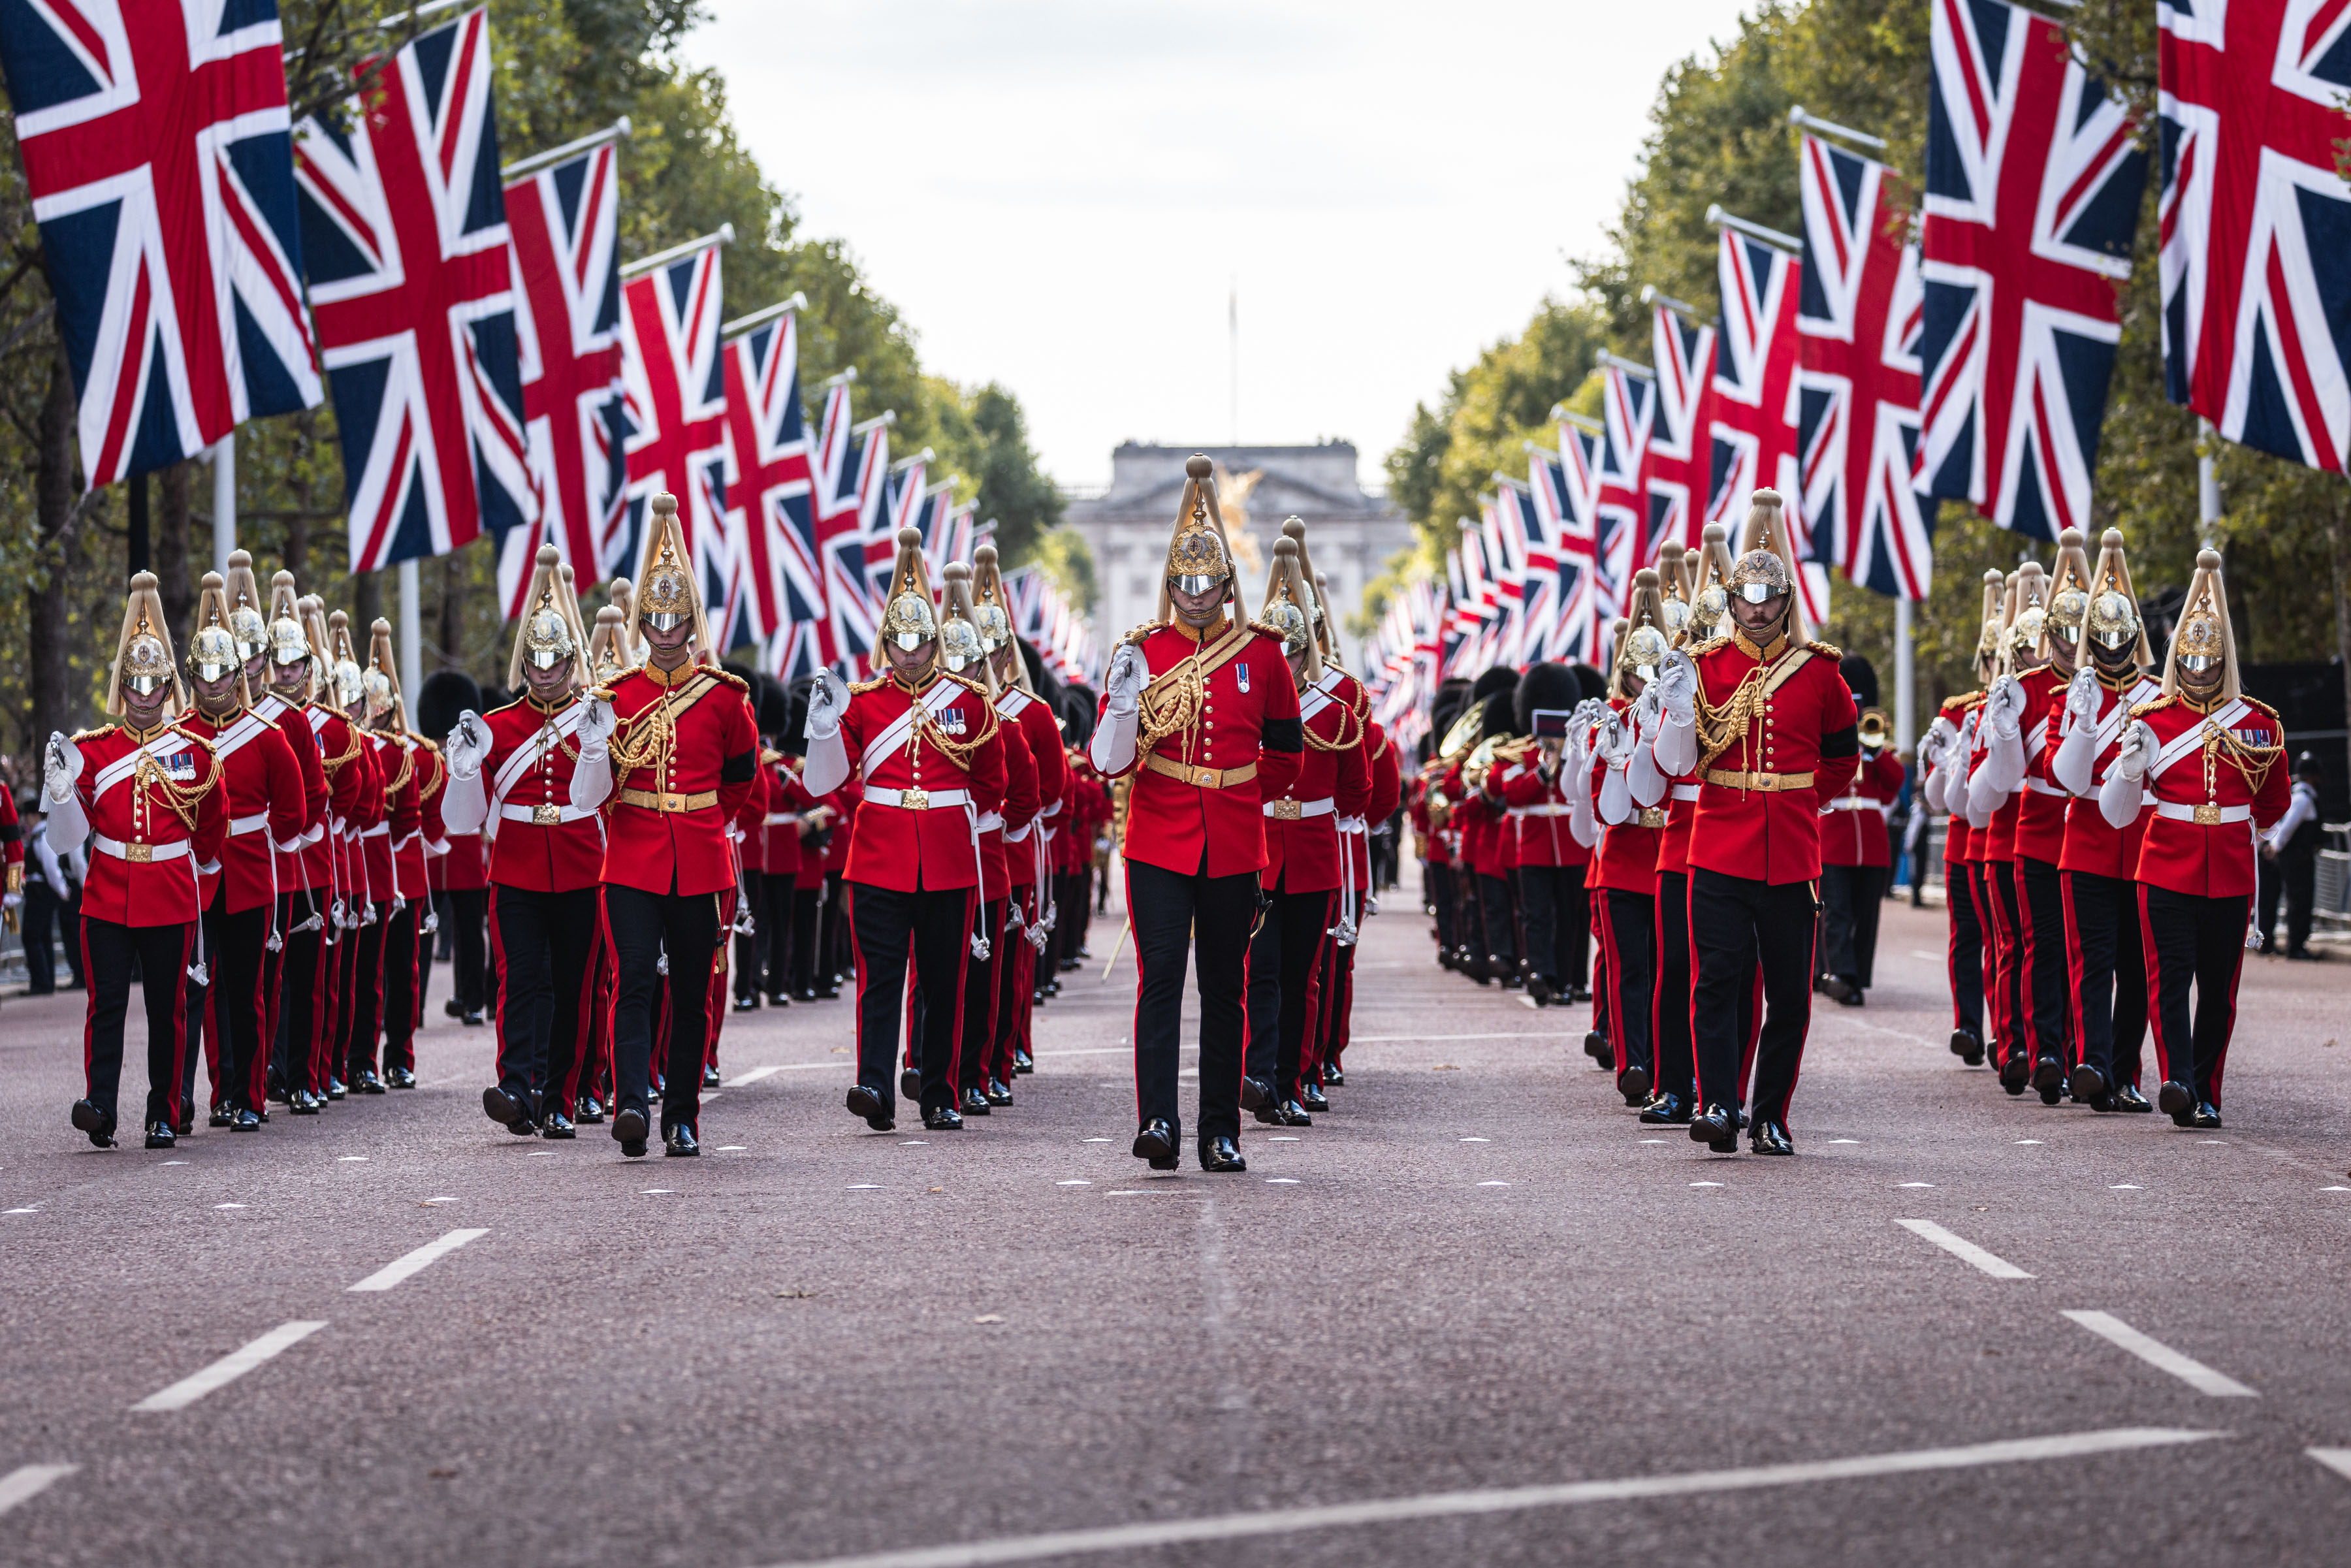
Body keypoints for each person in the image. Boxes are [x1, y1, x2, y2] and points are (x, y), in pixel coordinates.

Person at [1088, 455, 1303, 1173]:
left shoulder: (1263, 656)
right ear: (1172, 585)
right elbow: (1111, 761)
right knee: (1160, 982)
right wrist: (1121, 703)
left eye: (1209, 584)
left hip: (1234, 840)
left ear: (1226, 585)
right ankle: (1158, 1119)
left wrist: (1236, 790)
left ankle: (1220, 1130)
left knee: (1224, 988)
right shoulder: (1143, 652)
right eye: (1187, 584)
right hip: (1158, 837)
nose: (1199, 595)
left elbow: (1285, 755)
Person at [1647, 490, 1858, 1156]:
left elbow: (1842, 765)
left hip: (1792, 853)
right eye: (1748, 598)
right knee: (1715, 984)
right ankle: (1716, 1101)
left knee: (1790, 997)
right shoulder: (1706, 667)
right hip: (1717, 846)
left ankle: (1770, 1115)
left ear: (1785, 601)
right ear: (1733, 602)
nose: (1759, 609)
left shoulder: (1823, 674)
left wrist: (1795, 800)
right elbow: (1678, 766)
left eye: (1770, 598)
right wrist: (1679, 710)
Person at [803, 528, 1009, 1134]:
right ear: (886, 645)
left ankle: (940, 1091)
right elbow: (831, 780)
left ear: (937, 644)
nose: (913, 655)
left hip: (945, 857)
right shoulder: (864, 702)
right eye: (903, 645)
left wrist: (948, 816)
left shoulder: (968, 701)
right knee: (880, 980)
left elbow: (991, 781)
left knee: (943, 983)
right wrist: (820, 726)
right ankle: (874, 1084)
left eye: (922, 645)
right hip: (878, 858)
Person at [594, 502, 758, 1156]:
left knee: (691, 992)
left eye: (676, 619)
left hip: (697, 856)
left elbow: (741, 781)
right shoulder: (617, 696)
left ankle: (683, 1116)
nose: (665, 631)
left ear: (692, 623)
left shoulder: (724, 696)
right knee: (632, 979)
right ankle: (631, 1102)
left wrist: (702, 819)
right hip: (632, 856)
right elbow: (599, 779)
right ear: (643, 622)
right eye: (655, 619)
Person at [42, 572, 229, 1149]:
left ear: (169, 686)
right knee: (107, 1006)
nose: (145, 696)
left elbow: (213, 822)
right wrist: (59, 792)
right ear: (122, 688)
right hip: (107, 892)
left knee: (167, 1011)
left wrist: (198, 875)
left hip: (170, 891)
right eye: (135, 685)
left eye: (154, 686)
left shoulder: (194, 753)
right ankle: (100, 1104)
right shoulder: (94, 749)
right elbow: (69, 838)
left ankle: (163, 1111)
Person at [2107, 550, 2289, 1128]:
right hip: (2164, 864)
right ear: (2176, 662)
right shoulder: (2154, 719)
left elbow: (2274, 801)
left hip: (2230, 866)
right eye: (2191, 664)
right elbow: (2119, 812)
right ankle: (2178, 1080)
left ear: (2224, 662)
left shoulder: (2257, 722)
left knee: (2219, 991)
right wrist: (2128, 769)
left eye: (2210, 665)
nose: (2200, 674)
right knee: (2170, 981)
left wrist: (2245, 822)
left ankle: (2207, 1089)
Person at [441, 549, 611, 1139]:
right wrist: (463, 768)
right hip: (514, 864)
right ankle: (516, 1085)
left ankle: (561, 1096)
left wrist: (594, 745)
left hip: (580, 862)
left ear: (570, 662)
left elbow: (599, 795)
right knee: (518, 979)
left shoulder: (592, 718)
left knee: (573, 985)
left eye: (554, 662)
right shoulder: (501, 724)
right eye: (535, 663)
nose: (544, 673)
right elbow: (466, 818)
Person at [1240, 537, 1370, 1127]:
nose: (1288, 664)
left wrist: (1320, 814)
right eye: (1280, 655)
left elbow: (1357, 789)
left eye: (1296, 655)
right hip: (1262, 852)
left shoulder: (1335, 712)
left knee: (1302, 975)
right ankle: (1260, 1076)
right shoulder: (1247, 707)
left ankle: (1292, 1081)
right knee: (1258, 971)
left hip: (1314, 856)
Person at [178, 574, 308, 1132]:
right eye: (204, 675)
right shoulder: (179, 736)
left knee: (248, 991)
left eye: (222, 673)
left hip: (251, 871)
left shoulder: (266, 734)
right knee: (201, 989)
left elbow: (295, 810)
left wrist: (264, 842)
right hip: (197, 874)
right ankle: (217, 1090)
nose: (214, 685)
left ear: (238, 675)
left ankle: (249, 1094)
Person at [2048, 528, 2162, 1112]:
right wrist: (2083, 719)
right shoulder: (2070, 692)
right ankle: (2090, 1063)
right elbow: (2063, 774)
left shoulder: (2159, 695)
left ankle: (2125, 1072)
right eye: (2105, 638)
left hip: (2143, 842)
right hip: (2088, 843)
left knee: (2138, 971)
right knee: (2092, 961)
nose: (2115, 648)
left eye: (2123, 638)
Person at [973, 543, 1069, 1097]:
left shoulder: (1031, 714)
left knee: (1008, 969)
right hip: (959, 850)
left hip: (1012, 853)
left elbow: (1050, 790)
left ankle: (1003, 1056)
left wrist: (1011, 827)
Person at [1918, 575, 2002, 1067]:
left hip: (2009, 840)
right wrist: (1947, 755)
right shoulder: (1960, 708)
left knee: (2007, 943)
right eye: (1992, 659)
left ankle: (2007, 1029)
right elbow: (1934, 797)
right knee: (1969, 939)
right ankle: (1970, 1023)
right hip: (1965, 841)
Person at [1817, 654, 1906, 1006]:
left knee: (1866, 915)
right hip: (1835, 837)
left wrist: (1876, 752)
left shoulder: (1875, 739)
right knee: (1835, 911)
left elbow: (1893, 785)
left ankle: (1857, 976)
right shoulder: (1826, 731)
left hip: (1870, 842)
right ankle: (1840, 974)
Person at [418, 669, 488, 1033]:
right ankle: (414, 1002)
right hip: (433, 853)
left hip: (463, 851)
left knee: (469, 933)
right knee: (423, 931)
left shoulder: (470, 753)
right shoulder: (424, 755)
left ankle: (472, 999)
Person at [2259, 753, 2324, 960]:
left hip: (2293, 856)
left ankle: (2280, 942)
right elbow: (2287, 827)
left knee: (2287, 899)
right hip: (2297, 858)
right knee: (2299, 900)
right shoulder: (2303, 798)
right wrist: (2276, 847)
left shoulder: (2298, 795)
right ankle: (2296, 946)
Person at [22, 798, 78, 995]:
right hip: (44, 893)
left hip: (41, 893)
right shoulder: (43, 834)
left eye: (27, 816)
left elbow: (51, 868)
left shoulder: (42, 836)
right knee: (42, 937)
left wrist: (63, 891)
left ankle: (42, 982)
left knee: (32, 936)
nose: (25, 820)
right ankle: (46, 981)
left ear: (35, 815)